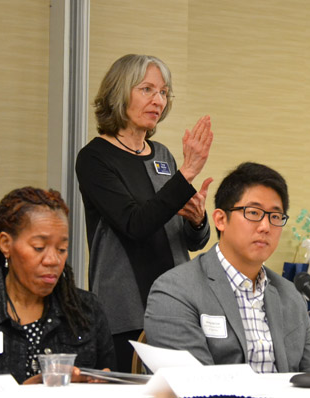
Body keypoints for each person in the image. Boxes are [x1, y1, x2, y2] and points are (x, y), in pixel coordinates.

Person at [75, 54, 213, 372]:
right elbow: (135, 224)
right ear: (120, 92)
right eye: (147, 89)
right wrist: (188, 171)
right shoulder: (95, 158)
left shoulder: (162, 155)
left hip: (177, 306)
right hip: (126, 311)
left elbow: (191, 240)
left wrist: (198, 219)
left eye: (163, 92)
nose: (158, 100)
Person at [144, 162, 310, 373]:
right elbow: (194, 386)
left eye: (275, 216)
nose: (265, 227)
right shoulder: (174, 291)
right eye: (253, 213)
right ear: (220, 220)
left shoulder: (291, 296)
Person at [0, 187, 115, 384]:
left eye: (62, 249)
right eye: (39, 248)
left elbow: (111, 378)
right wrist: (25, 392)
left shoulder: (87, 311)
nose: (53, 260)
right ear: (6, 244)